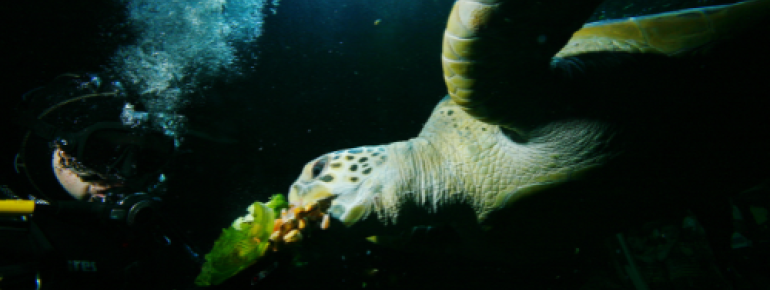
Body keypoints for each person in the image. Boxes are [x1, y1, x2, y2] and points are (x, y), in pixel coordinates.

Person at [0, 73, 202, 290]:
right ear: (58, 149)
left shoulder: (159, 231)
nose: (124, 173)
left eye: (146, 157)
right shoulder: (8, 219)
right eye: (101, 152)